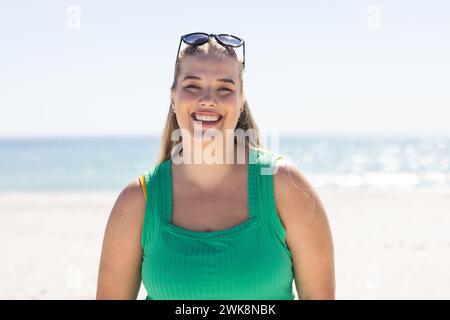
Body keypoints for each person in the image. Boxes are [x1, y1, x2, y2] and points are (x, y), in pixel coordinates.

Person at [96, 32, 335, 300]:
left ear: (241, 100)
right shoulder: (138, 200)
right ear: (173, 97)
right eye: (193, 86)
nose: (208, 99)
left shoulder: (286, 187)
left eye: (224, 88)